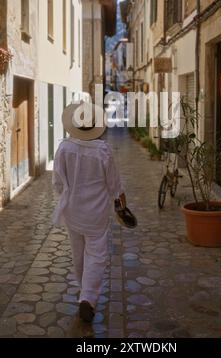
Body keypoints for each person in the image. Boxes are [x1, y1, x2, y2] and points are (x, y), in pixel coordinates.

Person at [52, 101, 126, 322]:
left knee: (78, 253)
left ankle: (83, 289)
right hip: (96, 214)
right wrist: (122, 201)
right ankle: (88, 297)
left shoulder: (64, 148)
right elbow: (114, 184)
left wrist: (67, 193)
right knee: (96, 255)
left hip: (72, 212)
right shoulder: (102, 150)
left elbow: (57, 182)